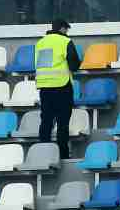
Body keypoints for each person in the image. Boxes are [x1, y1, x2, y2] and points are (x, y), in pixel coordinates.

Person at [36, 18, 82, 158]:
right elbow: (74, 65)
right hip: (62, 86)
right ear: (62, 28)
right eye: (66, 29)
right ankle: (63, 155)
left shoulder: (41, 43)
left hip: (44, 87)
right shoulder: (65, 41)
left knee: (46, 122)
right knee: (62, 123)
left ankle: (43, 154)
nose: (67, 32)